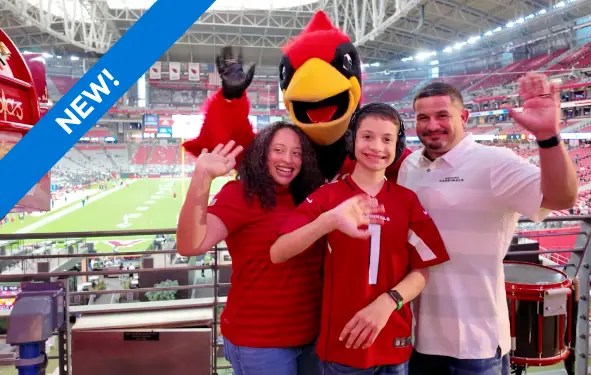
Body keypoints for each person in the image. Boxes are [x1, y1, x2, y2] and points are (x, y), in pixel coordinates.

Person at [398, 73, 578, 375]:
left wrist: (548, 136)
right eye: (423, 117)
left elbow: (561, 198)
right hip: (419, 339)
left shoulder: (494, 161)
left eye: (443, 115)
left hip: (476, 344)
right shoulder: (410, 165)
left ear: (464, 117)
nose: (432, 125)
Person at [270, 103, 450, 375]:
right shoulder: (326, 197)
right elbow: (278, 252)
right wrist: (329, 221)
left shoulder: (407, 201)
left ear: (397, 146)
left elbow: (422, 270)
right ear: (352, 140)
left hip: (395, 343)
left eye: (387, 139)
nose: (377, 147)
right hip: (344, 345)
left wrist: (388, 302)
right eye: (367, 136)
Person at [176, 121, 325, 375]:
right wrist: (202, 177)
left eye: (296, 153)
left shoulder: (309, 196)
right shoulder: (240, 194)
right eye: (278, 150)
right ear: (262, 153)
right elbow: (191, 245)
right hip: (259, 343)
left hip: (310, 337)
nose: (288, 159)